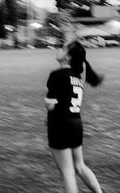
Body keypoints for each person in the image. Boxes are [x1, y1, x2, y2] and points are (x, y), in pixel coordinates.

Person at [45, 41, 104, 193]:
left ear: (68, 57)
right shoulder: (77, 77)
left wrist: (47, 102)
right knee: (79, 166)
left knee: (67, 171)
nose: (59, 49)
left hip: (60, 124)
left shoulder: (56, 75)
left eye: (63, 48)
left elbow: (50, 105)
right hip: (76, 124)